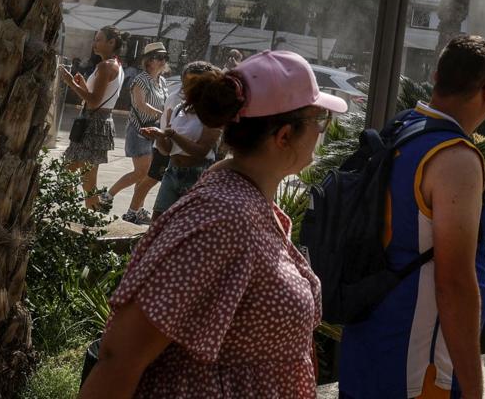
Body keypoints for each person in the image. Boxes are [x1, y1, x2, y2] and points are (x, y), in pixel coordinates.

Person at [79, 50, 347, 398]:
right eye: (320, 120)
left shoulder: (245, 204)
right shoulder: (219, 219)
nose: (323, 131)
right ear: (284, 135)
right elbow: (119, 358)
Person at [338, 35, 485, 399]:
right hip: (418, 371)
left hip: (369, 349)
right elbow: (454, 284)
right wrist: (474, 391)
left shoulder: (403, 128)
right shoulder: (455, 157)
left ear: (434, 76)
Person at [141, 60, 224, 218]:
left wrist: (172, 134)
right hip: (172, 172)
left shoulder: (213, 114)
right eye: (185, 82)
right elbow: (167, 150)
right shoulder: (179, 108)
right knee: (158, 223)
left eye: (193, 82)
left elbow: (201, 151)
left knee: (186, 225)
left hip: (197, 175)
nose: (185, 88)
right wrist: (159, 136)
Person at [60, 26, 128, 210]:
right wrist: (82, 85)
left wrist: (71, 83)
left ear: (111, 42)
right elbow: (97, 97)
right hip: (99, 123)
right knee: (82, 176)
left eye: (99, 39)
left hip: (92, 123)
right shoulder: (116, 65)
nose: (94, 43)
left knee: (76, 174)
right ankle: (86, 214)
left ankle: (78, 214)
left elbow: (93, 100)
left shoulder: (106, 66)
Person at [107, 43, 170, 225]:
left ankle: (138, 210)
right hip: (139, 131)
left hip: (154, 132)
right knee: (141, 172)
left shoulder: (162, 81)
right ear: (149, 61)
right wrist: (162, 114)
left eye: (165, 57)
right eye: (160, 57)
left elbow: (165, 104)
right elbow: (140, 105)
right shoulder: (140, 80)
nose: (163, 61)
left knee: (144, 174)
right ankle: (108, 195)